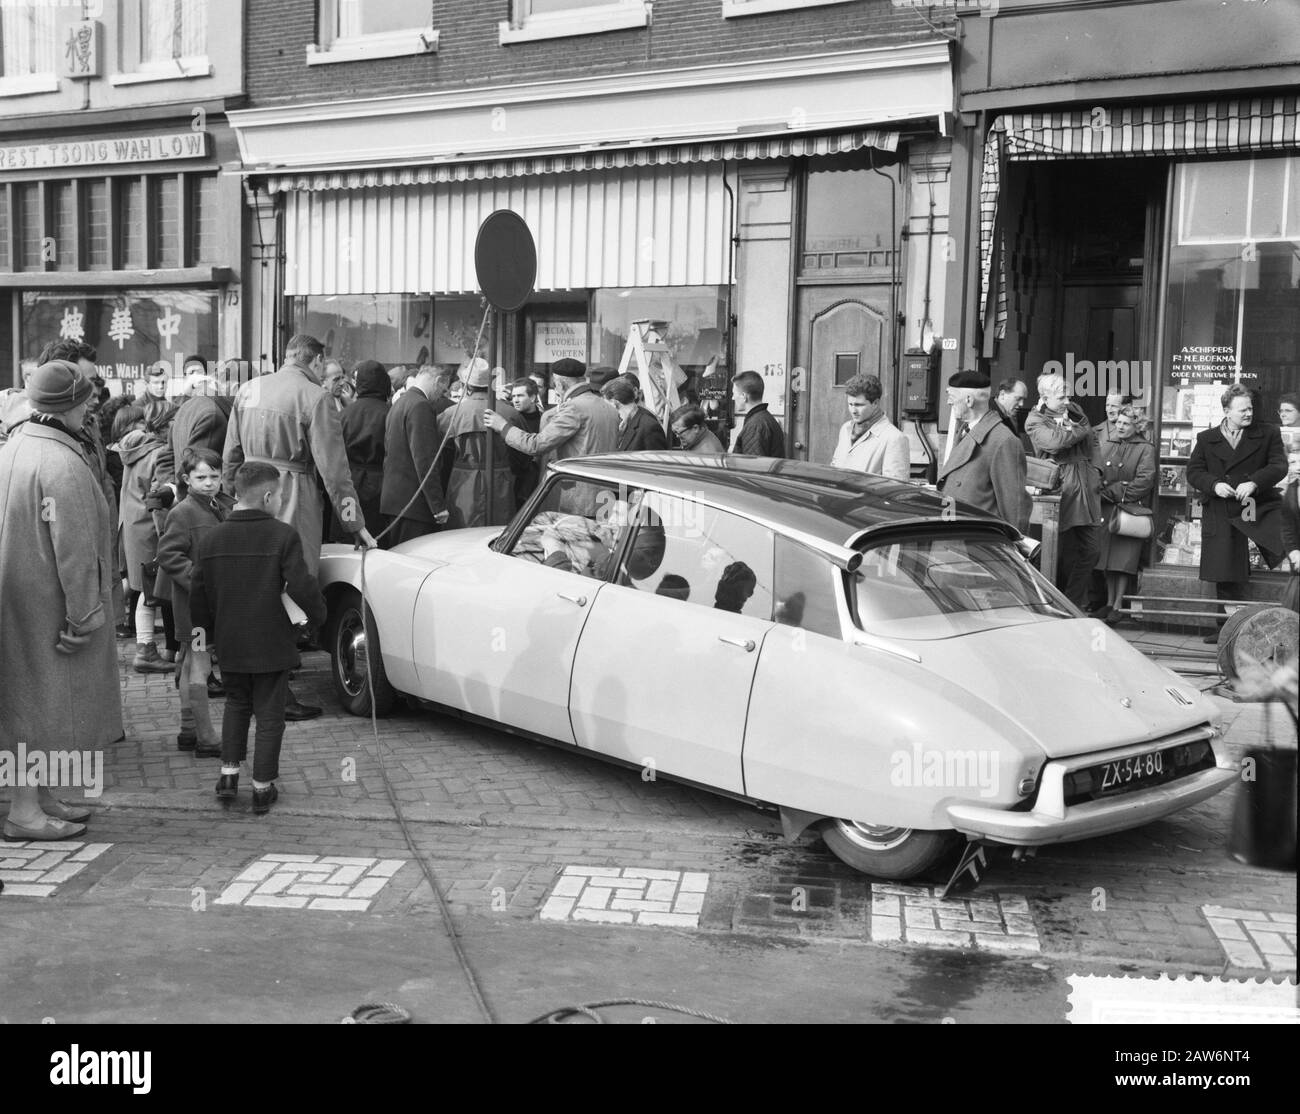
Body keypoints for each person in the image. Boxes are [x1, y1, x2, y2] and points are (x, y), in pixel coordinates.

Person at [0, 360, 121, 841]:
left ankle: (40, 798)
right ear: (69, 405)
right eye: (86, 399)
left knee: (25, 702)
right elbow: (76, 552)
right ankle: (25, 812)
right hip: (50, 605)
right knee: (39, 707)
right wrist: (85, 616)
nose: (91, 405)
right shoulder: (62, 463)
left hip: (17, 596)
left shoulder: (14, 448)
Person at [223, 334, 374, 719]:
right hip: (293, 495)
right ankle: (278, 690)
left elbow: (231, 453)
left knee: (251, 583)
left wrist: (229, 494)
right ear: (318, 360)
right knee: (290, 586)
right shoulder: (315, 398)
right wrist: (352, 520)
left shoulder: (249, 390)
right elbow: (334, 470)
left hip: (248, 490)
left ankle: (244, 678)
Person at [191, 463, 327, 815]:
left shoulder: (211, 538)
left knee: (236, 705)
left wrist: (202, 641)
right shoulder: (283, 536)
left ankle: (228, 775)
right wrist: (319, 617)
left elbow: (199, 595)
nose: (281, 501)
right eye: (280, 495)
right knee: (270, 716)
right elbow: (301, 585)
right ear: (268, 496)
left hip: (230, 642)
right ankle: (262, 787)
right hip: (271, 642)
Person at [1186, 383, 1287, 640]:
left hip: (1255, 507)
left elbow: (1279, 466)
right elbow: (1194, 472)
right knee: (1224, 568)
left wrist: (1254, 481)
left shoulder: (1268, 433)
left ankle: (1262, 627)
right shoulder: (1207, 439)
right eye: (1242, 410)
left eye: (1250, 408)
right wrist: (1214, 484)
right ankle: (1226, 631)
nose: (1248, 414)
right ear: (1226, 410)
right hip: (1221, 509)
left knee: (1279, 549)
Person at [156, 447, 232, 755]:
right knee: (199, 664)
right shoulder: (184, 511)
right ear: (187, 479)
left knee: (190, 663)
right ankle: (206, 737)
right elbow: (168, 554)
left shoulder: (214, 507)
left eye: (215, 476)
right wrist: (200, 583)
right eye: (202, 477)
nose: (210, 482)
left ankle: (189, 731)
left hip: (200, 604)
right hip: (195, 606)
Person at [1025, 373, 1103, 609]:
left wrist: (1097, 470)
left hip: (1086, 488)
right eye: (1061, 397)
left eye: (1069, 395)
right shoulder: (1034, 419)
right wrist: (1081, 430)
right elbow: (1054, 443)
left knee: (1092, 551)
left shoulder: (1075, 410)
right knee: (1053, 556)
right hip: (1059, 491)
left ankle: (1072, 602)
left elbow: (1094, 442)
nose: (1067, 401)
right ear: (1045, 397)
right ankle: (1047, 604)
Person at [111, 405, 176, 674]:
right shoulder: (158, 453)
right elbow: (158, 501)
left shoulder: (136, 450)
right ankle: (146, 650)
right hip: (150, 530)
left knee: (144, 590)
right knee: (149, 593)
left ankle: (154, 648)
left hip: (132, 527)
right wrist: (168, 535)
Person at [485, 357, 618, 470]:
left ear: (560, 383)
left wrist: (503, 426)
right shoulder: (608, 408)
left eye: (555, 383)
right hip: (604, 486)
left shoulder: (574, 408)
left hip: (578, 488)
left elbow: (536, 445)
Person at [936, 371, 1030, 532]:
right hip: (957, 538)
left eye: (951, 396)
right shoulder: (966, 431)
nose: (948, 402)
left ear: (968, 400)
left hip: (979, 544)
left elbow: (1015, 509)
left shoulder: (1003, 441)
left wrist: (1014, 549)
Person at [439, 359, 526, 529]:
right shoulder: (510, 412)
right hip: (500, 480)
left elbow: (436, 450)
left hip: (462, 482)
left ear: (467, 386)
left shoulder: (452, 413)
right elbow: (524, 452)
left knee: (459, 535)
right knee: (497, 533)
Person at [1095, 405, 1157, 624]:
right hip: (1108, 509)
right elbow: (1098, 472)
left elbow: (1144, 481)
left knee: (1122, 562)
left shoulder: (1145, 448)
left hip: (1128, 510)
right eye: (1118, 422)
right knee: (1107, 561)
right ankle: (1109, 603)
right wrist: (1106, 488)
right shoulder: (1109, 444)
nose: (1119, 426)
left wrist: (1115, 491)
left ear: (1137, 426)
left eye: (1125, 423)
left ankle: (1119, 605)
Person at [381, 364, 452, 544]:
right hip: (414, 505)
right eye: (443, 389)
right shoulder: (421, 406)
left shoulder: (402, 402)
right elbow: (425, 459)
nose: (441, 395)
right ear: (438, 381)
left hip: (397, 501)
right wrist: (438, 506)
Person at [335, 359, 390, 540]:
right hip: (381, 485)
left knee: (348, 535)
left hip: (349, 484)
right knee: (378, 537)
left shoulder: (344, 415)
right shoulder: (390, 414)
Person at [830, 374, 909, 480]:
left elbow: (896, 489)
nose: (853, 411)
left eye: (859, 405)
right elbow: (835, 467)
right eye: (850, 404)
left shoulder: (894, 438)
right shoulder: (846, 429)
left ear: (875, 403)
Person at [604, 377, 669, 452]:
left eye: (606, 404)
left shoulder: (649, 426)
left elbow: (657, 461)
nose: (605, 408)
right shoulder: (625, 423)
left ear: (614, 402)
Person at [730, 371, 785, 458]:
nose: (733, 397)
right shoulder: (764, 419)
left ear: (744, 396)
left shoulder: (756, 425)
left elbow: (753, 467)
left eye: (734, 393)